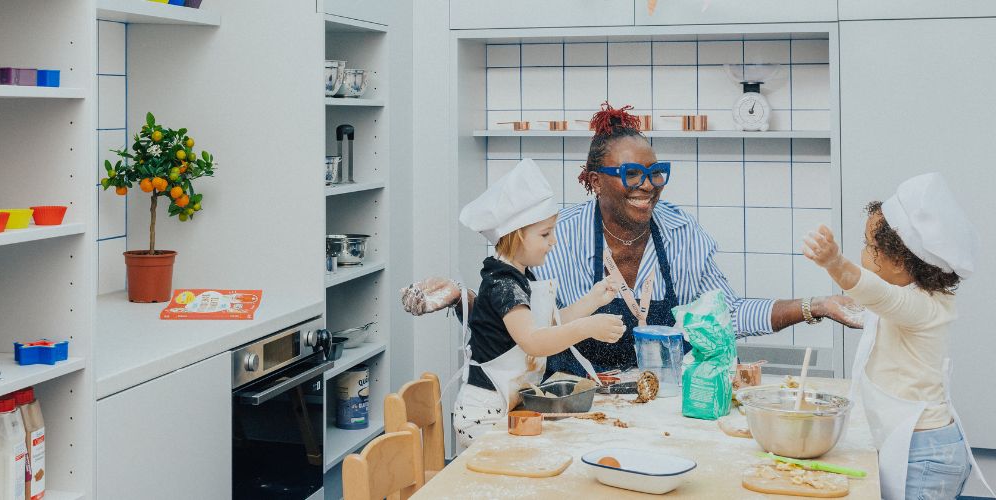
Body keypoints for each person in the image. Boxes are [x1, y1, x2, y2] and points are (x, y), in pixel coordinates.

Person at [400, 102, 864, 375]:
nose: (648, 185)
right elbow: (521, 318)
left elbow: (728, 314)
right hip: (575, 407)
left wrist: (813, 306)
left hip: (664, 409)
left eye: (656, 173)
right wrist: (462, 297)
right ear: (595, 180)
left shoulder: (681, 234)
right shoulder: (552, 238)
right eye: (631, 174)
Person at [803, 172, 992, 500]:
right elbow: (883, 307)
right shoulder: (919, 300)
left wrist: (835, 263)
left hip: (925, 456)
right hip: (920, 446)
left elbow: (879, 295)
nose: (863, 252)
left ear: (902, 263)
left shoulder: (920, 306)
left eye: (869, 246)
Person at [452, 159, 625, 449]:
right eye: (545, 234)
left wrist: (594, 300)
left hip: (507, 404)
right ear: (516, 236)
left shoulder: (519, 277)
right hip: (483, 416)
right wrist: (587, 327)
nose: (553, 241)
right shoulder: (503, 284)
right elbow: (534, 342)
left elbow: (552, 325)